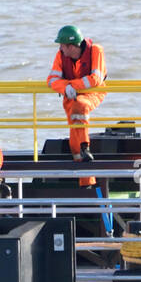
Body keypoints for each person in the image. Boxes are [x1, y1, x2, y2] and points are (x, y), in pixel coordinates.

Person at [46, 24, 106, 187]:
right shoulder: (60, 56)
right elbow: (52, 80)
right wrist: (66, 88)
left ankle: (84, 150)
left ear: (71, 46)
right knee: (75, 126)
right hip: (70, 95)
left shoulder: (96, 51)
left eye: (62, 45)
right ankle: (85, 177)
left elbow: (96, 79)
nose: (60, 49)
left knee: (80, 109)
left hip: (92, 93)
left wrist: (71, 85)